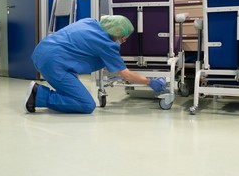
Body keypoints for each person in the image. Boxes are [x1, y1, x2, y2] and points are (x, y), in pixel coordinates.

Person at [24, 15, 166, 114]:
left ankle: (53, 97)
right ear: (118, 33)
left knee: (73, 89)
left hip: (41, 52)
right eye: (124, 37)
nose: (125, 40)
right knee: (86, 104)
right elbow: (125, 74)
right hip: (53, 63)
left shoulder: (90, 22)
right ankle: (38, 95)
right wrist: (149, 82)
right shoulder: (107, 44)